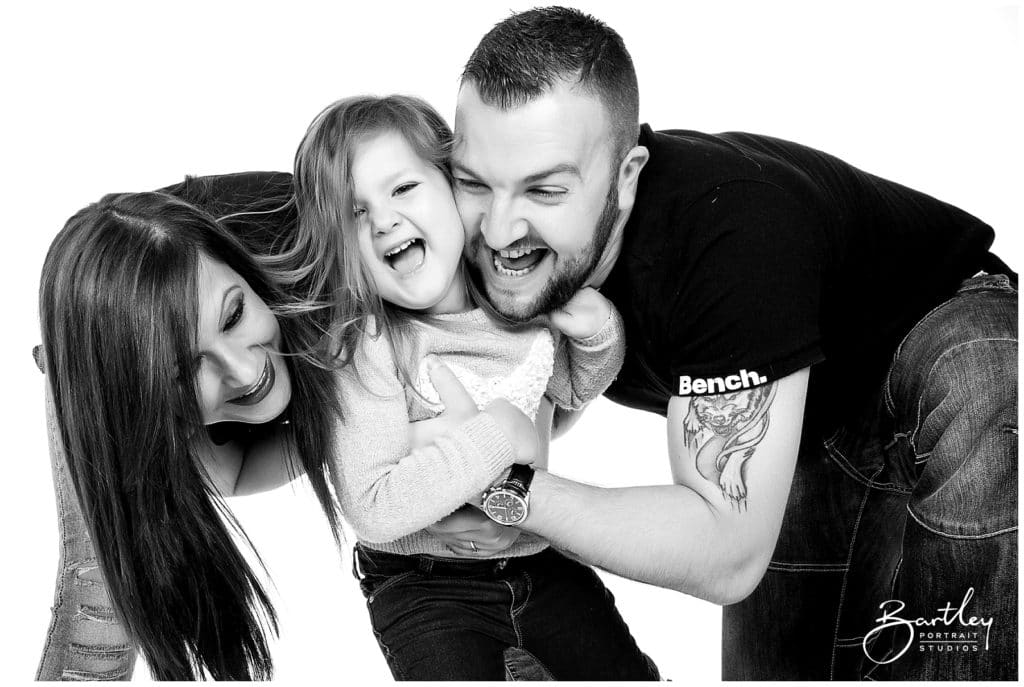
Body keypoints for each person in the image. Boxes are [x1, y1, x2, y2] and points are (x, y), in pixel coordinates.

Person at [434, 5, 1017, 681]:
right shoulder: (461, 233)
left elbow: (724, 551)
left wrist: (512, 493)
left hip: (945, 340)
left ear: (625, 179)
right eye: (475, 181)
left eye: (546, 189)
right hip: (808, 422)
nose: (501, 228)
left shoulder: (729, 239)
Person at [288, 93, 658, 681]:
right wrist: (497, 436)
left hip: (539, 558)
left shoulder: (513, 301)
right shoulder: (370, 342)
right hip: (426, 585)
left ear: (456, 191)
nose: (383, 220)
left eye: (403, 189)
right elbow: (375, 507)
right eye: (354, 213)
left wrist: (598, 338)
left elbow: (567, 391)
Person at [35, 184, 345, 680]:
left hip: (188, 247)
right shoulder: (126, 399)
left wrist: (354, 414)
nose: (245, 373)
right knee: (102, 600)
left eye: (235, 315)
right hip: (93, 368)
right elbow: (234, 470)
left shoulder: (348, 261)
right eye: (187, 372)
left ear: (243, 268)